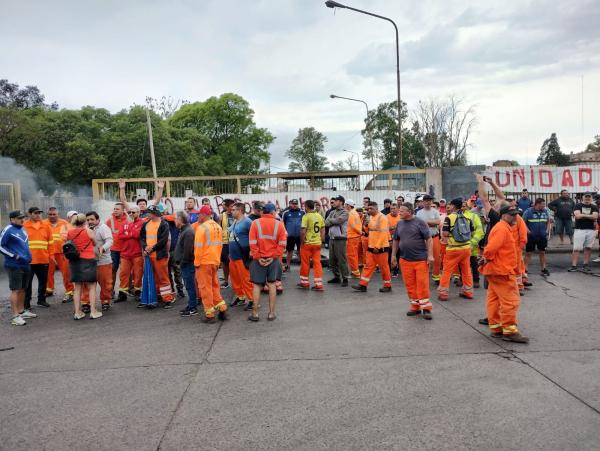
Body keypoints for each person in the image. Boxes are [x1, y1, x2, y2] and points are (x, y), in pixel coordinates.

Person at [479, 204, 529, 343]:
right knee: (511, 301)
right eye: (512, 215)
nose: (515, 217)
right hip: (502, 271)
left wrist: (486, 259)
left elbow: (491, 249)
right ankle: (510, 331)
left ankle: (496, 328)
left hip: (496, 270)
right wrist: (486, 258)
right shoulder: (502, 229)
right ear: (503, 215)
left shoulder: (503, 227)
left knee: (494, 300)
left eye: (516, 214)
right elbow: (491, 248)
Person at [391, 203, 433, 319]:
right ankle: (415, 307)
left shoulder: (420, 222)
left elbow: (429, 239)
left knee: (422, 284)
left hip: (420, 259)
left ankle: (426, 308)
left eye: (402, 211)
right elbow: (396, 240)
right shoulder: (399, 223)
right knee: (410, 285)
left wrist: (430, 255)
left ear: (409, 212)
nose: (399, 212)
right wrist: (393, 256)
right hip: (405, 260)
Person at [248, 203, 287, 321]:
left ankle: (255, 314)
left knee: (256, 286)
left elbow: (252, 242)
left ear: (262, 212)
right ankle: (271, 313)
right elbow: (282, 244)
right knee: (272, 285)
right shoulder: (279, 225)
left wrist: (258, 256)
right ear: (273, 212)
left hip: (258, 260)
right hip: (273, 260)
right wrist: (273, 256)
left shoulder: (255, 223)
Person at [1, 210, 36, 325]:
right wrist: (14, 256)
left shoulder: (22, 229)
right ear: (12, 219)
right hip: (14, 265)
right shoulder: (8, 230)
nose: (22, 220)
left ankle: (21, 311)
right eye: (19, 218)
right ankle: (15, 316)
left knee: (23, 288)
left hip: (25, 264)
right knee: (15, 289)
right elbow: (1, 246)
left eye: (23, 218)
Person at [194, 205, 228, 323]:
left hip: (204, 262)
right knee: (214, 286)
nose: (198, 216)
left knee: (205, 288)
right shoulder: (217, 226)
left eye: (199, 214)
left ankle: (210, 315)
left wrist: (196, 263)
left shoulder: (202, 228)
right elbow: (220, 245)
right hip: (214, 261)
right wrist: (217, 261)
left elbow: (198, 248)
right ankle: (222, 308)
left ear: (203, 214)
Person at [438, 198, 474, 301]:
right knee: (466, 270)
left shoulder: (449, 218)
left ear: (453, 206)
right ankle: (468, 292)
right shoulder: (468, 217)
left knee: (447, 271)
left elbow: (445, 233)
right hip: (466, 248)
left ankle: (443, 293)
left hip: (453, 249)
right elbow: (471, 232)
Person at [352, 201, 392, 293]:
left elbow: (383, 234)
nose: (369, 210)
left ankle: (387, 285)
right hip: (371, 246)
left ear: (376, 208)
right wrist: (365, 225)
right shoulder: (370, 217)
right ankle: (362, 285)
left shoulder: (382, 218)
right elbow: (368, 231)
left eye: (371, 209)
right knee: (368, 267)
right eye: (368, 209)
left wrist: (377, 246)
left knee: (384, 268)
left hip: (381, 248)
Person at [67, 213, 101, 320]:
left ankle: (77, 312)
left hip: (75, 261)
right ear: (85, 221)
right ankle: (93, 311)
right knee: (92, 287)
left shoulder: (70, 232)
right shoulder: (88, 231)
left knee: (77, 288)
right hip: (88, 260)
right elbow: (95, 244)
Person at [140, 205, 174, 307]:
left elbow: (163, 240)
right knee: (153, 277)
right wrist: (145, 247)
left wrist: (151, 248)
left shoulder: (164, 224)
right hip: (149, 255)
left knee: (163, 277)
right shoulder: (146, 224)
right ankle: (156, 297)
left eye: (149, 212)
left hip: (159, 255)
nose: (147, 214)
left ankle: (167, 299)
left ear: (154, 213)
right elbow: (142, 237)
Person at [82, 211, 113, 312]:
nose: (90, 221)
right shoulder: (85, 229)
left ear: (98, 220)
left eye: (92, 219)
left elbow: (110, 241)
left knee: (105, 283)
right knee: (87, 283)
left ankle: (105, 301)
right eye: (88, 220)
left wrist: (102, 248)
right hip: (88, 261)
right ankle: (86, 303)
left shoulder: (103, 228)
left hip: (103, 261)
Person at [23, 206, 53, 309]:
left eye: (39, 213)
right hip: (29, 260)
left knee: (43, 281)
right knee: (27, 284)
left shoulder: (46, 225)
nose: (38, 215)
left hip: (43, 259)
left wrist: (50, 255)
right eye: (35, 213)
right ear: (30, 214)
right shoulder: (24, 226)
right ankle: (26, 304)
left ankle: (41, 300)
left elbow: (51, 242)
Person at [44, 207, 74, 303]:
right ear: (47, 214)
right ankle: (49, 289)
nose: (52, 216)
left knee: (66, 273)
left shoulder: (64, 223)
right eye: (50, 214)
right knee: (48, 272)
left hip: (62, 253)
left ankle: (70, 292)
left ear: (58, 214)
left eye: (54, 214)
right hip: (49, 252)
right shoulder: (43, 223)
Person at [116, 206, 144, 303]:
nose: (131, 214)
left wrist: (128, 232)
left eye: (133, 212)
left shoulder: (142, 223)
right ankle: (122, 294)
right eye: (129, 212)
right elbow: (120, 236)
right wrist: (130, 234)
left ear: (139, 212)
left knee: (138, 274)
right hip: (125, 254)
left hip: (137, 254)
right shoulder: (124, 223)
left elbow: (137, 235)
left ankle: (138, 292)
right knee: (123, 274)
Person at [228, 202, 254, 306]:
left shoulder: (247, 222)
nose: (231, 211)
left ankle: (252, 300)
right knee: (235, 279)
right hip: (233, 256)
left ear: (240, 211)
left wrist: (252, 252)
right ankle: (241, 297)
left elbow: (254, 237)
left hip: (242, 256)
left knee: (246, 279)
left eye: (234, 210)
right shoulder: (235, 222)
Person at [298, 200, 325, 290]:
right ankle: (319, 284)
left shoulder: (306, 216)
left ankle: (305, 283)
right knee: (317, 263)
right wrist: (322, 241)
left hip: (307, 244)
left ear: (306, 207)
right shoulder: (319, 216)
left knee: (305, 263)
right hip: (317, 244)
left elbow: (303, 231)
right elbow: (323, 230)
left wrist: (301, 243)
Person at [175, 212, 198, 317]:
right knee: (189, 286)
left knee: (190, 286)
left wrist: (182, 263)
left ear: (180, 219)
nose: (175, 221)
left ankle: (193, 308)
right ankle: (191, 305)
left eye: (176, 219)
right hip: (185, 263)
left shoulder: (188, 232)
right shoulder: (184, 230)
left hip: (187, 264)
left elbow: (188, 251)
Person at [569, 193, 599, 272]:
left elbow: (595, 216)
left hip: (591, 230)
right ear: (583, 198)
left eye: (589, 198)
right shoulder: (577, 205)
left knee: (588, 248)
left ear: (591, 199)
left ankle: (585, 265)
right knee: (576, 248)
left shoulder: (594, 207)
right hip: (579, 229)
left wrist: (583, 215)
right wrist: (590, 216)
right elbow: (577, 216)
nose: (587, 199)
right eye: (586, 197)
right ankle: (574, 266)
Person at [325, 195, 350, 286]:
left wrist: (333, 221)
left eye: (335, 201)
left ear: (340, 202)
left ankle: (345, 278)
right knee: (332, 260)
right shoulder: (332, 212)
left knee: (341, 259)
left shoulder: (345, 212)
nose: (334, 202)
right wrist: (334, 220)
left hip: (340, 239)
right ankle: (336, 277)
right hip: (332, 238)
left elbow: (339, 221)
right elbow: (326, 222)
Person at [416, 194, 441, 283]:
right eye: (426, 201)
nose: (428, 202)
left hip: (434, 237)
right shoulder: (419, 213)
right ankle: (423, 276)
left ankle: (436, 276)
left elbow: (438, 222)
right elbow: (418, 225)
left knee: (437, 258)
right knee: (423, 258)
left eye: (430, 201)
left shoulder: (435, 211)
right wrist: (431, 223)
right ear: (423, 202)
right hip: (423, 239)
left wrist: (426, 222)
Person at [523, 198, 551, 276]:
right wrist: (528, 231)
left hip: (542, 236)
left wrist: (547, 230)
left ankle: (543, 269)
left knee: (542, 252)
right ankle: (525, 269)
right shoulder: (528, 211)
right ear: (537, 204)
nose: (544, 206)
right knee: (528, 253)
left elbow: (549, 221)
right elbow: (523, 222)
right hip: (531, 236)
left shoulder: (545, 211)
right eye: (543, 204)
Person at [105, 202, 128, 296]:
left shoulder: (128, 219)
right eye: (114, 209)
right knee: (112, 270)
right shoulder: (109, 220)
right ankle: (110, 291)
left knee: (125, 271)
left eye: (117, 209)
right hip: (114, 249)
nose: (115, 211)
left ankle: (126, 290)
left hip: (126, 249)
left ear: (123, 210)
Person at [163, 214, 185, 298]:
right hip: (165, 251)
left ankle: (180, 289)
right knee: (167, 272)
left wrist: (163, 216)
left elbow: (173, 217)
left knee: (177, 271)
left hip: (174, 250)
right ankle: (171, 289)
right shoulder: (160, 223)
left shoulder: (172, 222)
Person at [282, 199, 304, 272]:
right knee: (289, 251)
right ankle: (288, 266)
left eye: (296, 204)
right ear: (290, 204)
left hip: (299, 236)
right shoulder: (286, 213)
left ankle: (303, 266)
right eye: (293, 204)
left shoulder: (302, 212)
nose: (295, 205)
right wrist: (285, 234)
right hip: (290, 236)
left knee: (300, 251)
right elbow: (283, 224)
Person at [219, 199, 235, 287]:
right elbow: (218, 228)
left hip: (235, 242)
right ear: (228, 207)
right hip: (225, 242)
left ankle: (235, 281)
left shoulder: (237, 215)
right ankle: (226, 281)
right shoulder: (221, 216)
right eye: (232, 206)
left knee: (235, 262)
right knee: (225, 262)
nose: (233, 208)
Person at [345, 199, 362, 278]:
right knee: (354, 254)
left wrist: (359, 232)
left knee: (351, 255)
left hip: (352, 236)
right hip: (355, 236)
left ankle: (355, 272)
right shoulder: (355, 213)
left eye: (345, 205)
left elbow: (352, 225)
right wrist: (359, 232)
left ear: (348, 205)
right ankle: (355, 271)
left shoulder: (351, 214)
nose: (345, 206)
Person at [386, 203, 401, 277]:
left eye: (394, 208)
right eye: (391, 208)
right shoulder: (386, 217)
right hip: (390, 239)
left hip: (399, 239)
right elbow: (385, 229)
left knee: (398, 255)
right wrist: (389, 240)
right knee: (389, 255)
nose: (392, 210)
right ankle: (388, 271)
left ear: (398, 209)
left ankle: (396, 271)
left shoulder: (401, 217)